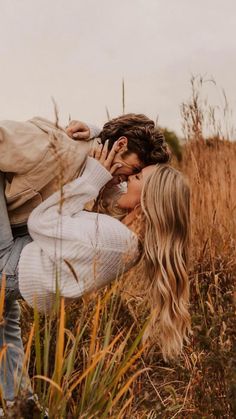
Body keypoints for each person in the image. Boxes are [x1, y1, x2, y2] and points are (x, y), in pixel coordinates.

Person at [0, 140, 191, 408]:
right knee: (4, 323)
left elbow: (41, 222)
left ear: (148, 201)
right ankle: (20, 405)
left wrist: (92, 178)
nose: (125, 180)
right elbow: (101, 203)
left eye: (135, 178)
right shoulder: (127, 236)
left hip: (8, 265)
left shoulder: (113, 240)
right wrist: (94, 137)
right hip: (22, 270)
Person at [0, 113, 170, 237]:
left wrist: (96, 131)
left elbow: (121, 210)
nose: (129, 179)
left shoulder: (104, 181)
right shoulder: (55, 147)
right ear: (121, 145)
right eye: (135, 169)